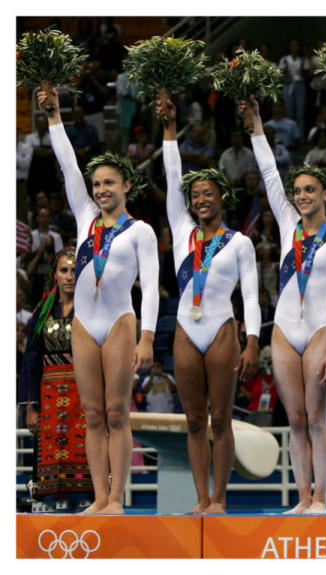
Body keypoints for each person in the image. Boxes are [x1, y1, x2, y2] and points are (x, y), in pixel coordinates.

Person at [41, 87, 159, 515]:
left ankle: (118, 498)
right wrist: (54, 115)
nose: (101, 189)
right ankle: (98, 497)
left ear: (127, 184)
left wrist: (147, 339)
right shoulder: (86, 218)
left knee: (115, 413)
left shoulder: (140, 231)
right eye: (97, 184)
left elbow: (151, 286)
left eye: (110, 182)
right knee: (91, 414)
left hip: (120, 324)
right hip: (84, 325)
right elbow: (68, 164)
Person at [242, 95, 326, 514]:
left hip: (323, 331)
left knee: (316, 419)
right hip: (284, 331)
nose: (302, 196)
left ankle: (322, 498)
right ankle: (302, 496)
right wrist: (256, 123)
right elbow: (270, 172)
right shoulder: (288, 224)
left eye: (311, 190)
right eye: (298, 191)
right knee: (293, 421)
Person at [159, 96, 261, 515]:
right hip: (186, 330)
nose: (201, 199)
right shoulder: (182, 230)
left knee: (220, 419)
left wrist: (252, 342)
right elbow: (171, 177)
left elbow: (252, 295)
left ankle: (220, 498)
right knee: (194, 421)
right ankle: (200, 498)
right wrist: (169, 129)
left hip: (221, 329)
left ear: (223, 197)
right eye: (196, 194)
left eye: (209, 193)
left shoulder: (239, 243)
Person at [18, 249, 95, 512]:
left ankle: (86, 496)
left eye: (74, 271)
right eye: (64, 270)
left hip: (84, 391)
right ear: (55, 274)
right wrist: (30, 404)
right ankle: (49, 500)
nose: (70, 277)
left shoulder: (92, 308)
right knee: (48, 442)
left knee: (85, 442)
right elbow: (31, 359)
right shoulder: (43, 311)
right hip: (48, 393)